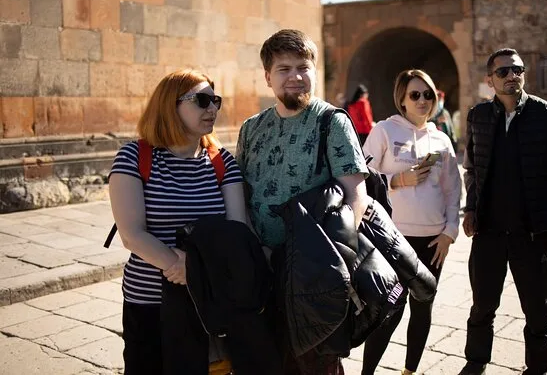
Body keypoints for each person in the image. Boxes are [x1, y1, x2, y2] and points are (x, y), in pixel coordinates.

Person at [235, 29, 368, 374]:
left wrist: (331, 262)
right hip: (261, 266)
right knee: (264, 359)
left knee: (315, 362)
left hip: (311, 273)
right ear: (268, 77)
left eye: (302, 67)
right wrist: (253, 248)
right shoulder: (251, 128)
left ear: (314, 71)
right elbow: (242, 193)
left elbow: (355, 195)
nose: (295, 76)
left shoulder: (331, 122)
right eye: (284, 69)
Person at [459, 48, 547, 375]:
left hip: (532, 233)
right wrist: (471, 208)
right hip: (488, 232)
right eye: (503, 72)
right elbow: (472, 168)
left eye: (517, 69)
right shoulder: (478, 116)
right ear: (490, 80)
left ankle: (536, 369)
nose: (512, 76)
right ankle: (475, 363)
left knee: (538, 312)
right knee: (482, 307)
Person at [108, 70, 245, 375]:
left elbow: (238, 233)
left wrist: (194, 271)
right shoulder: (134, 157)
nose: (212, 108)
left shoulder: (222, 161)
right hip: (149, 302)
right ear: (170, 105)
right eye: (202, 100)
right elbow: (131, 234)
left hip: (206, 301)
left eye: (215, 100)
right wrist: (182, 266)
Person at [361, 69, 462, 375]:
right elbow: (363, 176)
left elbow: (453, 189)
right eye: (415, 94)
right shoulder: (384, 131)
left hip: (433, 241)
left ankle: (409, 371)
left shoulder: (441, 139)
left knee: (422, 307)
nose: (422, 100)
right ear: (402, 99)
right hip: (393, 239)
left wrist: (449, 232)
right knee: (389, 309)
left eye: (428, 94)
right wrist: (398, 180)